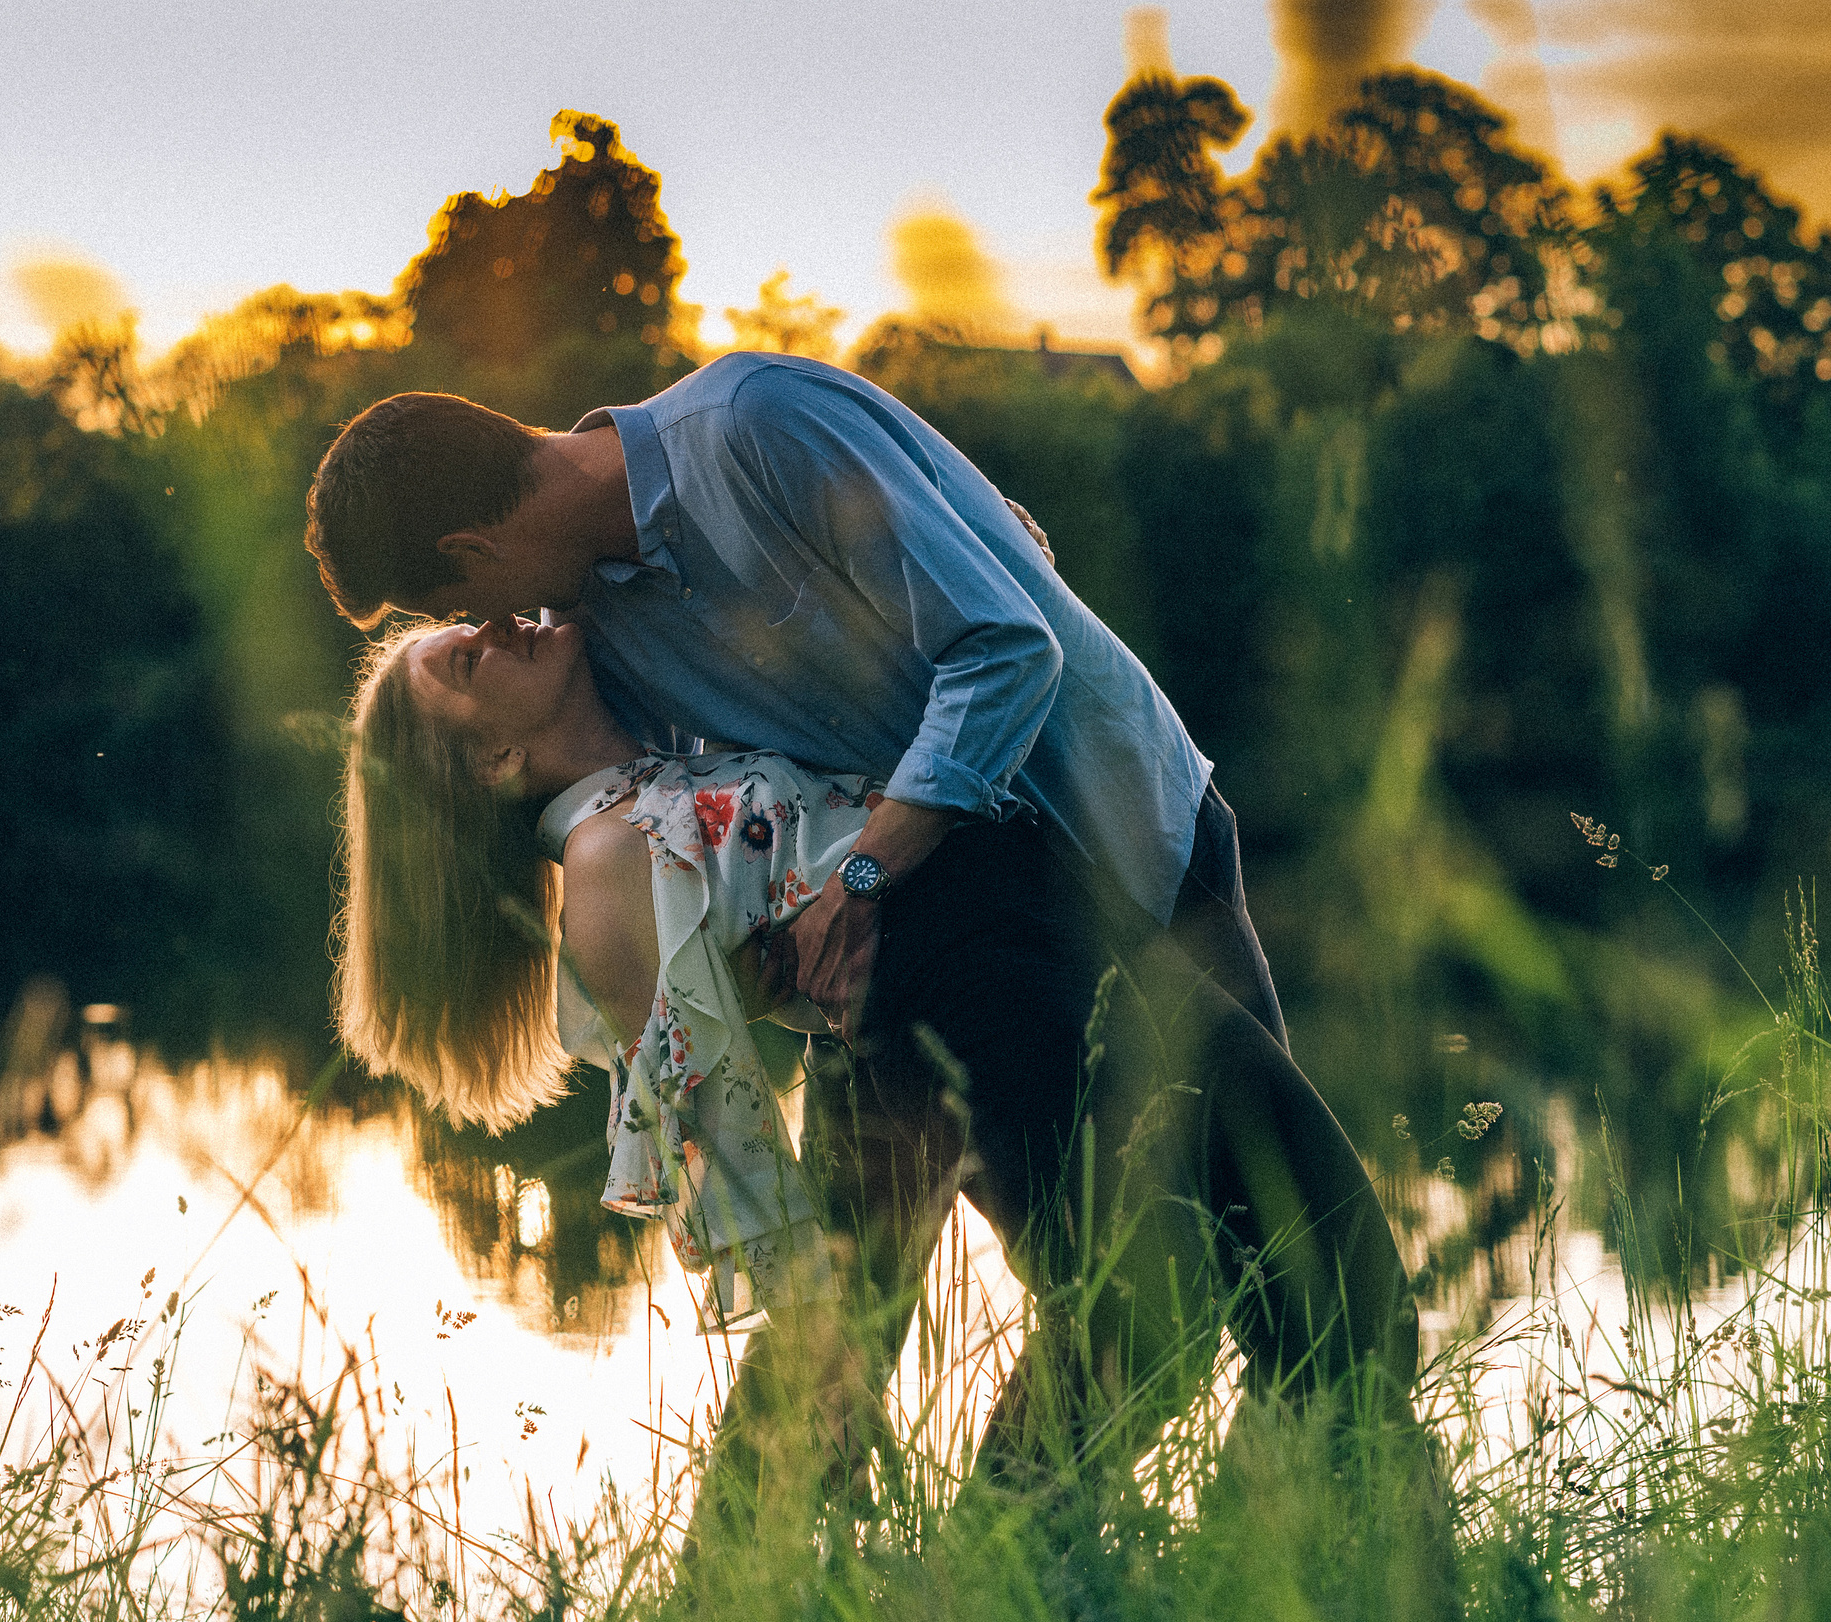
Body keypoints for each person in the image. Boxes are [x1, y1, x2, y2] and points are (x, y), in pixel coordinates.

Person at [310, 353, 1418, 1498]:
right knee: (1183, 1296)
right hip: (981, 953)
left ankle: (1280, 1574)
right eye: (464, 634)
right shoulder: (605, 647)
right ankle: (1029, 1591)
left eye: (456, 612)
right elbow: (695, 896)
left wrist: (867, 870)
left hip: (1124, 833)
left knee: (1278, 1279)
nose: (500, 624)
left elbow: (1003, 639)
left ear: (468, 554)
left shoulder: (756, 427)